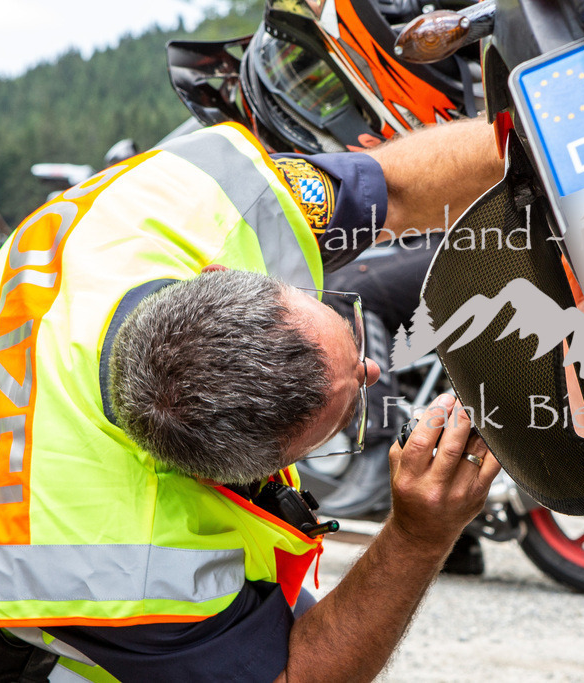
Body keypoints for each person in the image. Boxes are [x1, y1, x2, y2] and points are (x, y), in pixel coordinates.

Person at [0, 103, 503, 681]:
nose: (369, 369)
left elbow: (398, 188)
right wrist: (417, 537)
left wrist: (551, 147)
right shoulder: (114, 572)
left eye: (339, 315)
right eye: (340, 424)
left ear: (218, 275)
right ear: (229, 480)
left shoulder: (189, 201)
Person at [167, 0, 491, 575]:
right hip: (475, 223)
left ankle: (374, 451)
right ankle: (448, 525)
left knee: (352, 286)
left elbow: (389, 189)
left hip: (479, 230)